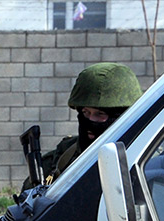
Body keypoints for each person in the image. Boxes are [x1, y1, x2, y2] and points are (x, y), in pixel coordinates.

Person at [22, 62, 142, 190]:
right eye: (86, 112)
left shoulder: (143, 158)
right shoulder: (66, 153)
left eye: (99, 114)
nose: (90, 120)